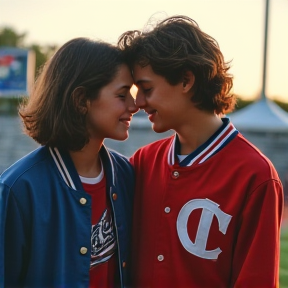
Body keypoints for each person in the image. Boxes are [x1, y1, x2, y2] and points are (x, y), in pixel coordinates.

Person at [118, 15, 284, 287]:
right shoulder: (143, 162)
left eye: (146, 88)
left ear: (186, 80)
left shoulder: (256, 174)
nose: (138, 103)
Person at [0, 37, 138, 288]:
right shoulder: (19, 189)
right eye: (122, 94)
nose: (134, 104)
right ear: (81, 100)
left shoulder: (126, 174)